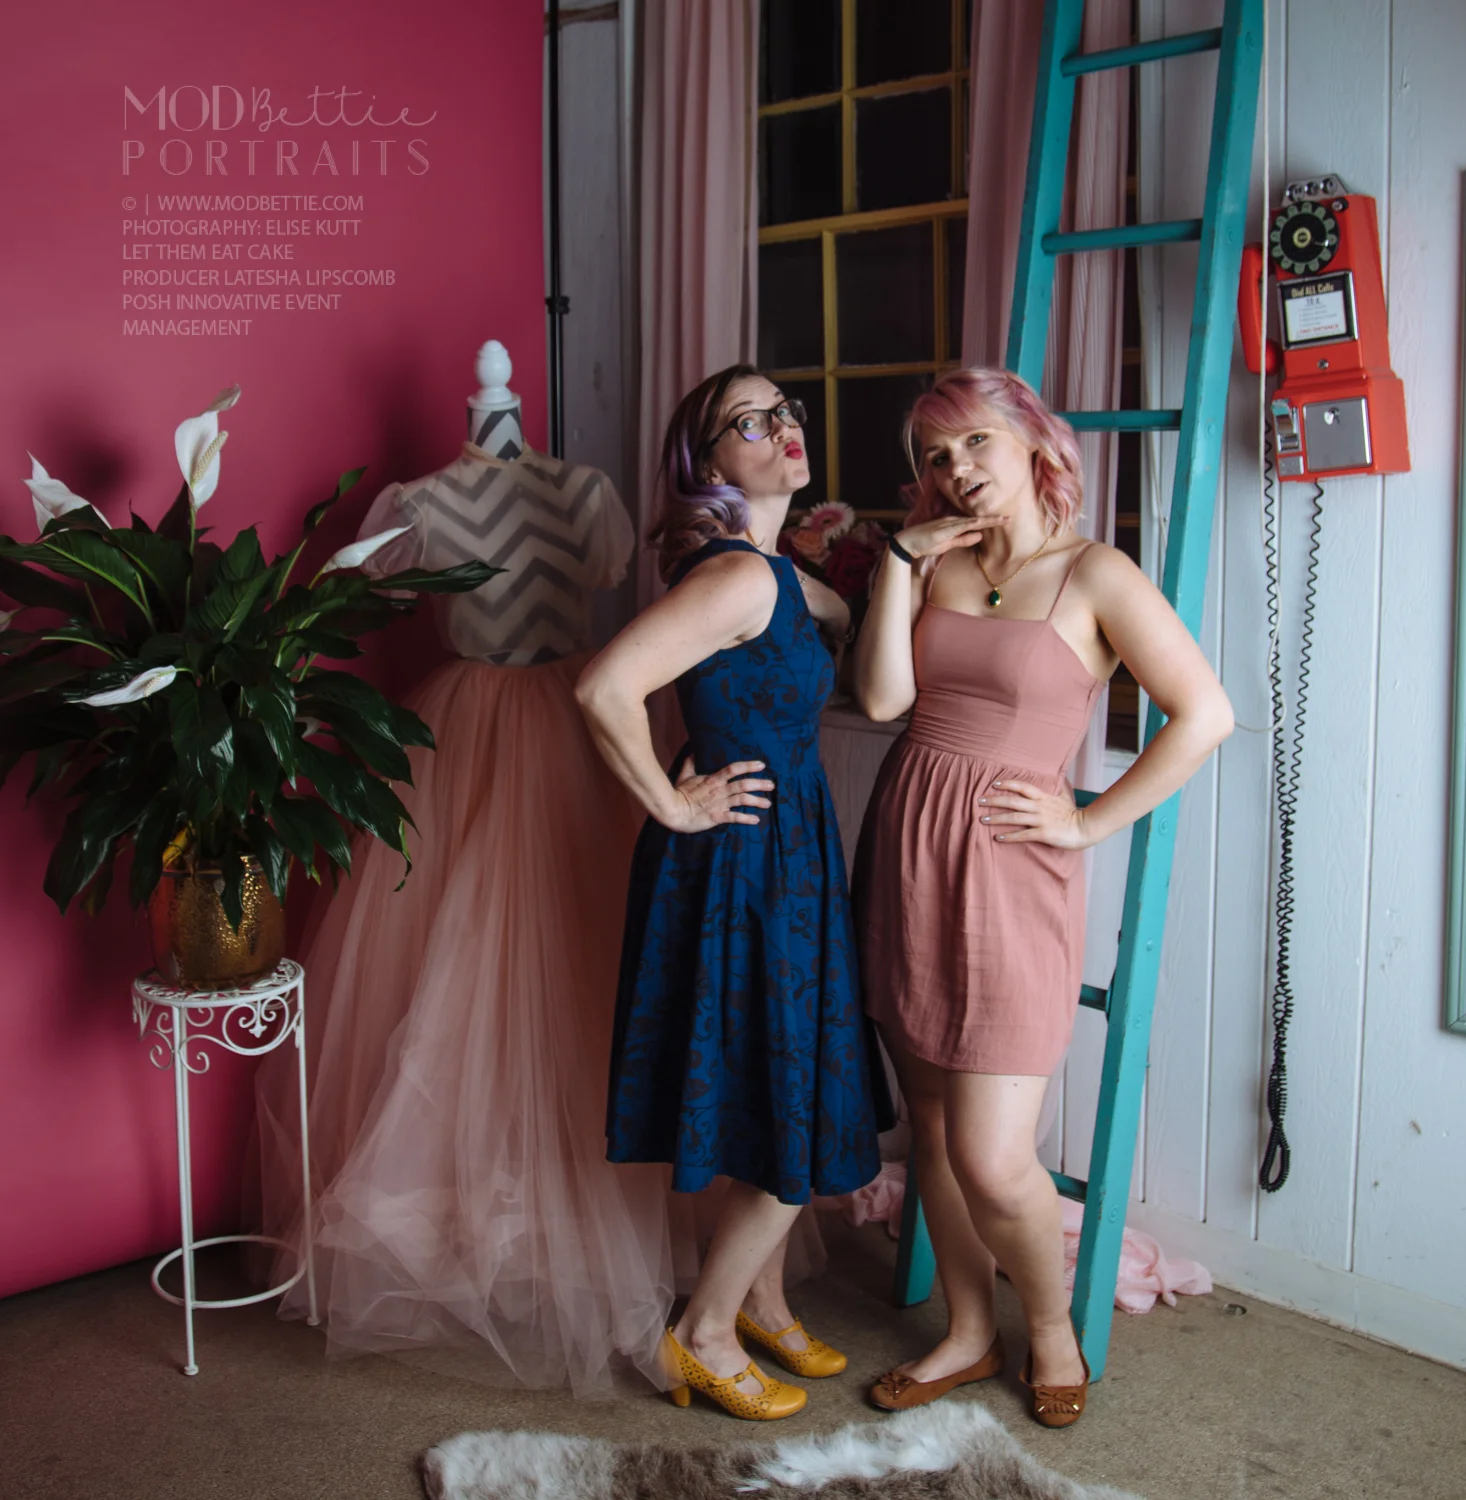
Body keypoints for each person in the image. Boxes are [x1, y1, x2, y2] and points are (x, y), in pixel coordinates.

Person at [255, 425, 690, 1396]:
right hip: (471, 736)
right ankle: (480, 1212)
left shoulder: (585, 491)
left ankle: (599, 1205)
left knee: (588, 958)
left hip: (575, 727)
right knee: (457, 965)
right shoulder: (418, 503)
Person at [852, 367, 1233, 1427]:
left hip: (1012, 872)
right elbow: (882, 699)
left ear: (1031, 440)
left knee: (991, 1153)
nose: (957, 470)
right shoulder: (935, 562)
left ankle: (1051, 1327)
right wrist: (897, 561)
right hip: (907, 849)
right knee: (931, 1126)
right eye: (937, 456)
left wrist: (1089, 822)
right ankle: (969, 1332)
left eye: (975, 442)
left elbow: (1205, 714)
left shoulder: (1096, 573)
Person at [576, 365, 890, 1421]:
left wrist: (892, 565)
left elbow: (831, 614)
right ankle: (701, 1336)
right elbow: (603, 687)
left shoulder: (770, 573)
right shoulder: (740, 581)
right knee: (792, 1103)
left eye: (784, 410)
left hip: (782, 854)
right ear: (707, 462)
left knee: (767, 1090)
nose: (781, 427)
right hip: (745, 860)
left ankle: (760, 1302)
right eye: (747, 422)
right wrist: (671, 805)